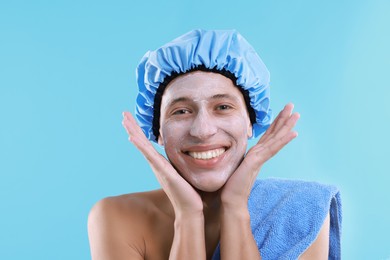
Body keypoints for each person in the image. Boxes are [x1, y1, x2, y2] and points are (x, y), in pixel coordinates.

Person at [88, 29, 342, 259]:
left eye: (222, 107)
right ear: (158, 131)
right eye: (181, 111)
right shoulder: (117, 217)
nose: (202, 130)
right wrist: (188, 217)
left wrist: (235, 207)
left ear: (251, 121)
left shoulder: (303, 210)